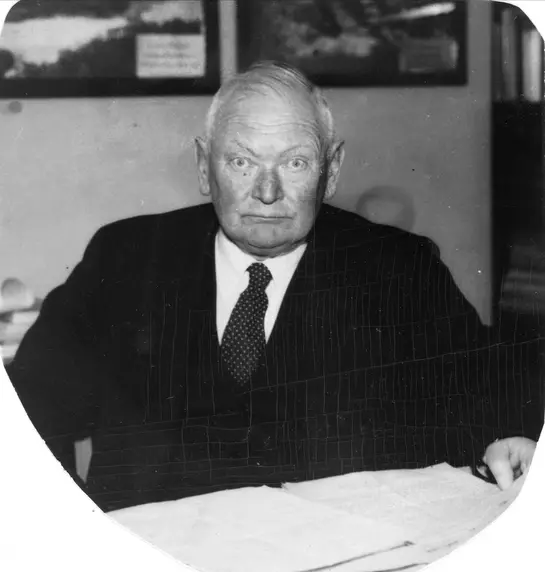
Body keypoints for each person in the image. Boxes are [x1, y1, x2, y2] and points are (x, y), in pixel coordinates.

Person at [6, 62, 542, 512]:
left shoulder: (400, 268)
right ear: (204, 166)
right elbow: (27, 414)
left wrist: (513, 438)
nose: (267, 191)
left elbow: (492, 392)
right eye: (241, 162)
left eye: (295, 162)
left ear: (332, 171)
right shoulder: (124, 258)